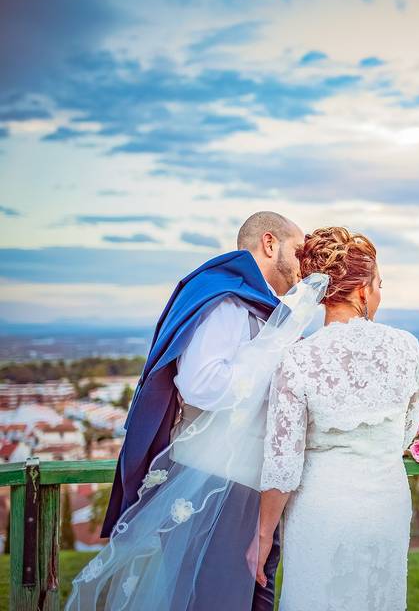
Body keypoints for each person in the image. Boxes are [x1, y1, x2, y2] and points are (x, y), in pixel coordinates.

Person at [95, 211, 304, 611]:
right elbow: (201, 386)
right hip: (214, 480)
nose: (302, 264)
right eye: (298, 249)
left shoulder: (252, 305)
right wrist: (272, 353)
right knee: (210, 594)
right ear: (269, 243)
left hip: (241, 479)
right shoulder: (224, 303)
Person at [256, 227, 419, 611]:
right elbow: (406, 433)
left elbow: (283, 464)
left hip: (322, 505)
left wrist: (264, 533)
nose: (379, 294)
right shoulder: (407, 347)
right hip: (386, 502)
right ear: (363, 290)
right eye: (379, 284)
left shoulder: (297, 358)